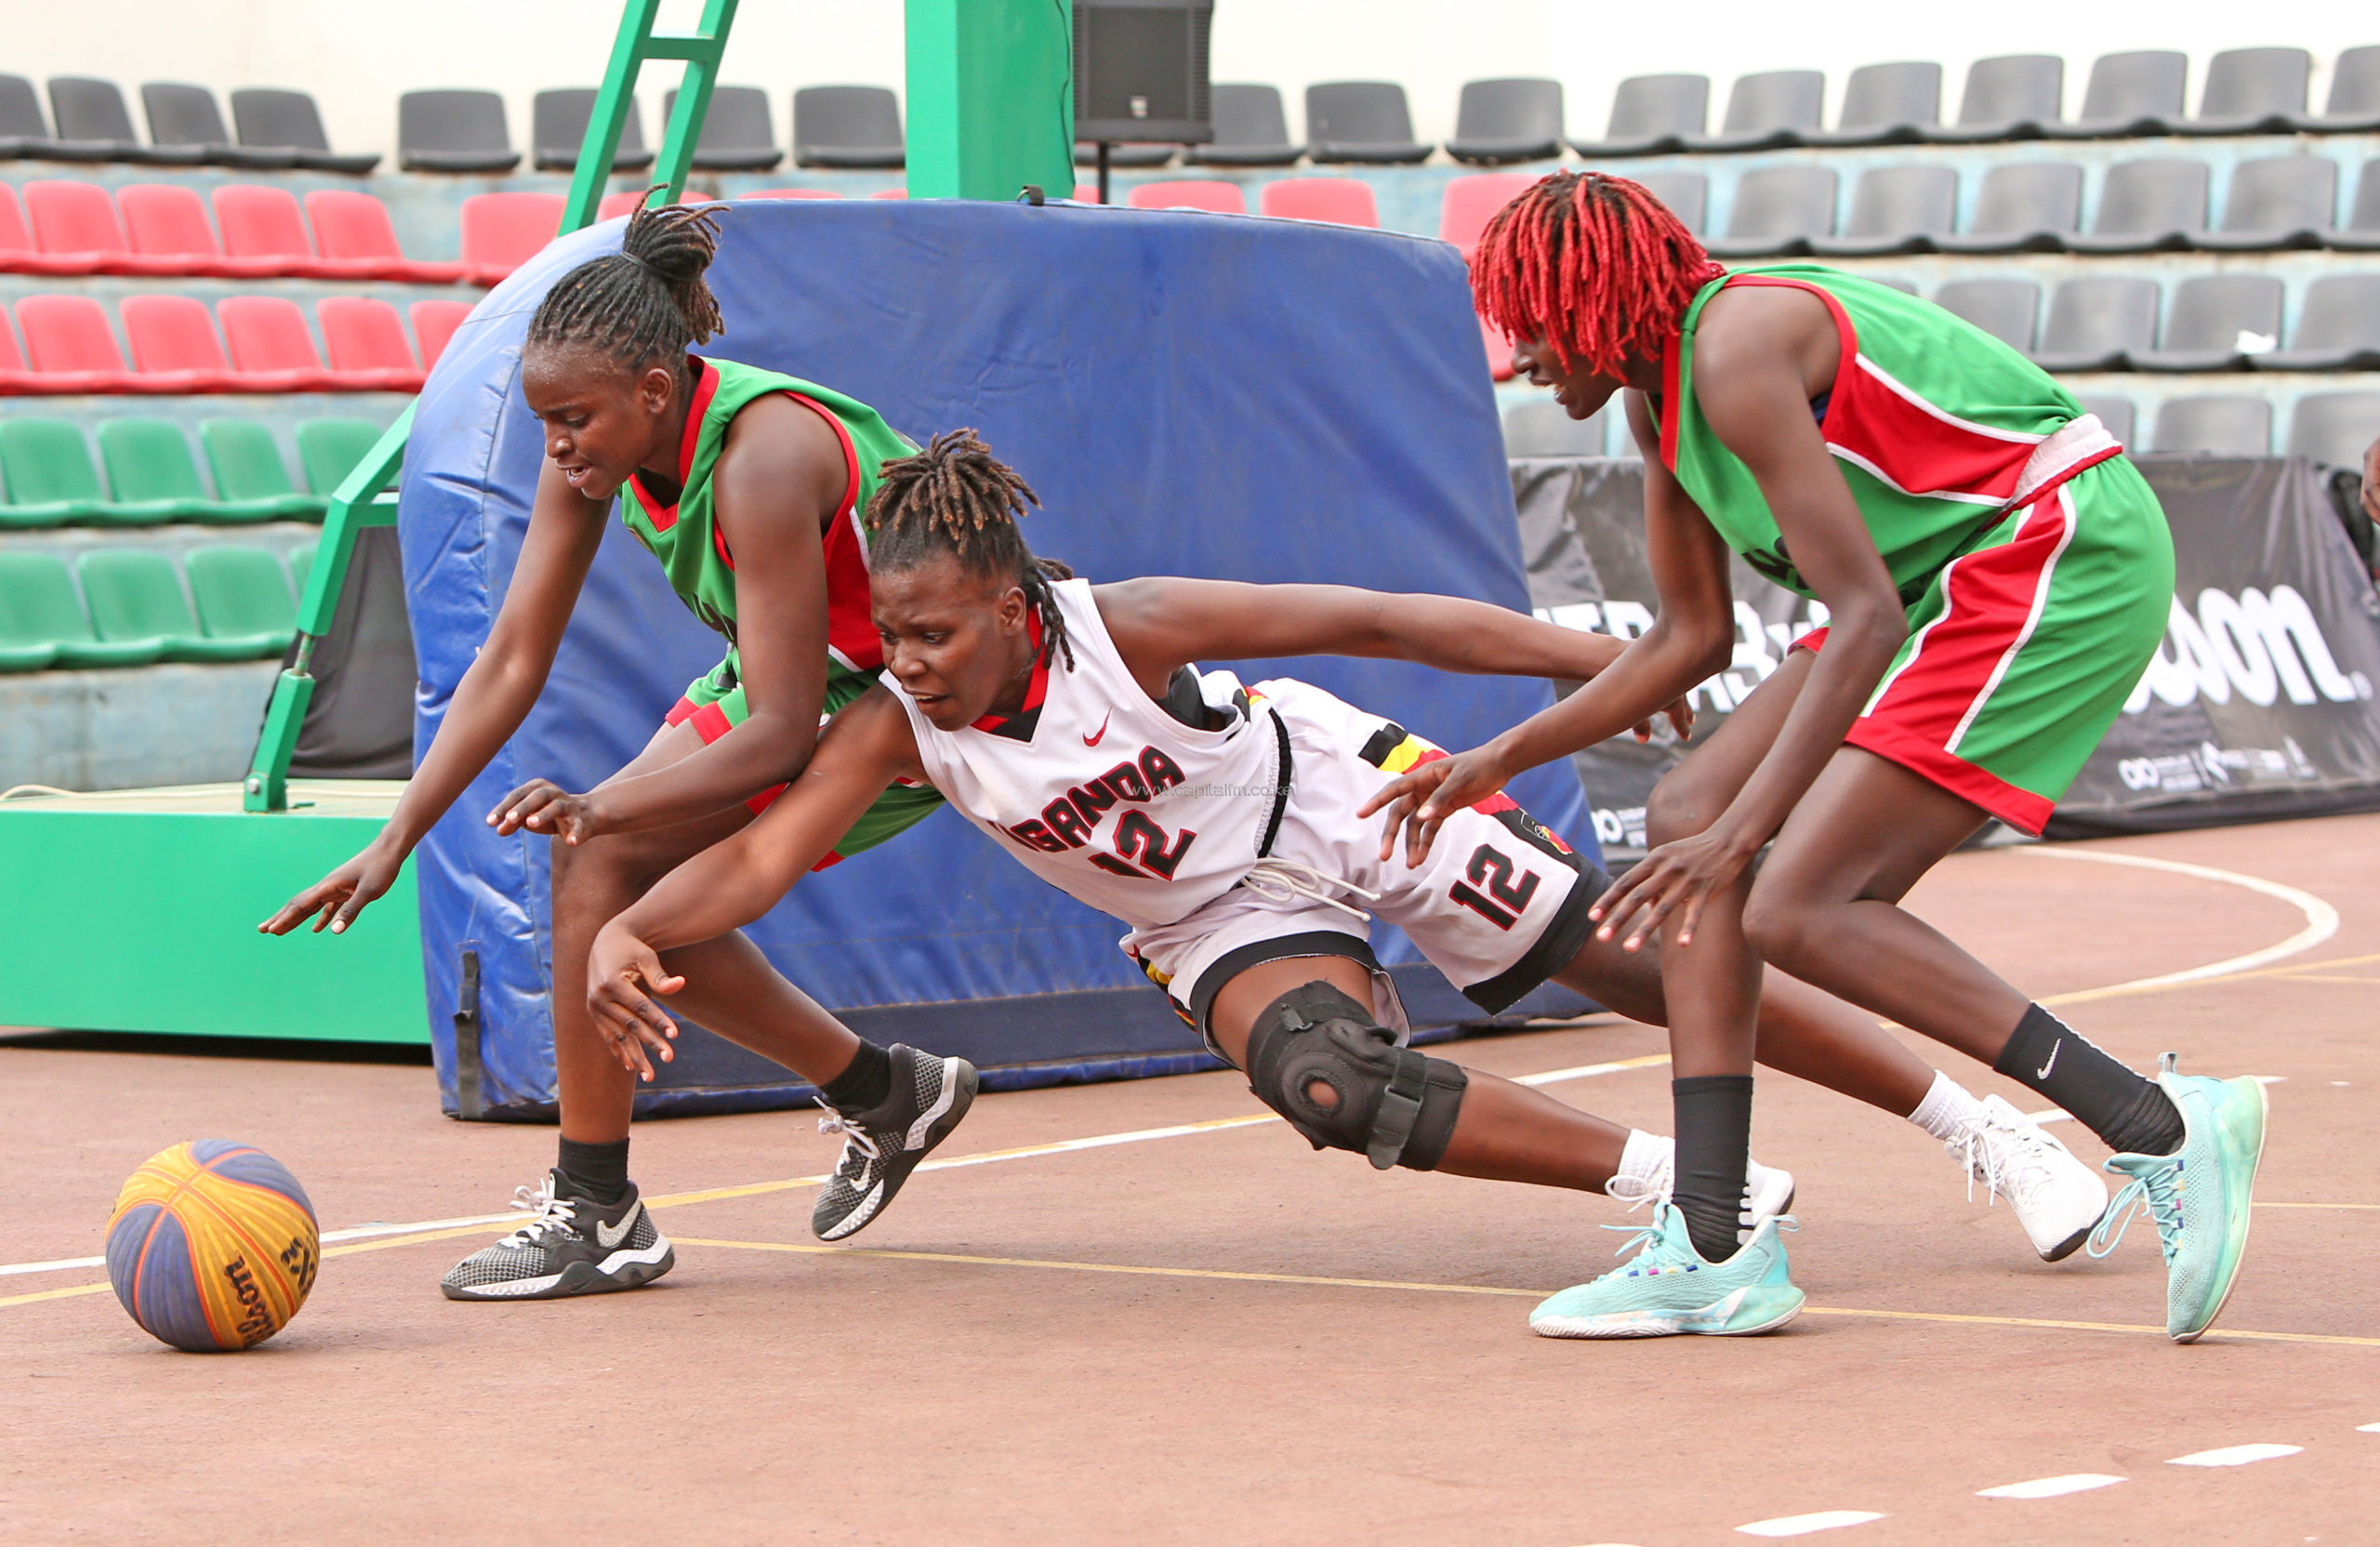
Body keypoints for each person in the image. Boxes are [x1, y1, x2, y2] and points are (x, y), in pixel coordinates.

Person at [584, 430, 2106, 1310]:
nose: (907, 660)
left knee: (1647, 960)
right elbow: (765, 855)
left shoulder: (1134, 623)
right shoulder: (899, 725)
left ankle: (1991, 1130)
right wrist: (633, 927)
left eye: (934, 632)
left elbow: (1377, 619)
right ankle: (1695, 1196)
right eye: (892, 636)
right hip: (1215, 912)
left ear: (1015, 601)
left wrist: (1607, 656)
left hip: (1346, 796)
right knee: (1330, 1085)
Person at [1364, 171, 2268, 1342]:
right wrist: (1496, 757)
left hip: (2051, 548)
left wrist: (1748, 835)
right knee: (1691, 805)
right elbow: (1692, 637)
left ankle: (2158, 1122)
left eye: (1535, 320)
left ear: (1598, 298)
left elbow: (1864, 618)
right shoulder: (1659, 402)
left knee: (1791, 898)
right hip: (1945, 579)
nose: (1520, 356)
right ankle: (1712, 1238)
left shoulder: (1737, 346)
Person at [259, 203, 976, 1302]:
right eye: (544, 421)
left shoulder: (761, 458)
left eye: (573, 419)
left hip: (919, 695)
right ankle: (880, 1091)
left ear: (654, 389)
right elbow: (509, 657)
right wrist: (396, 835)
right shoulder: (600, 442)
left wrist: (601, 804)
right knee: (597, 866)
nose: (556, 445)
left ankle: (599, 1210)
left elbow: (784, 729)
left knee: (598, 859)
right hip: (788, 673)